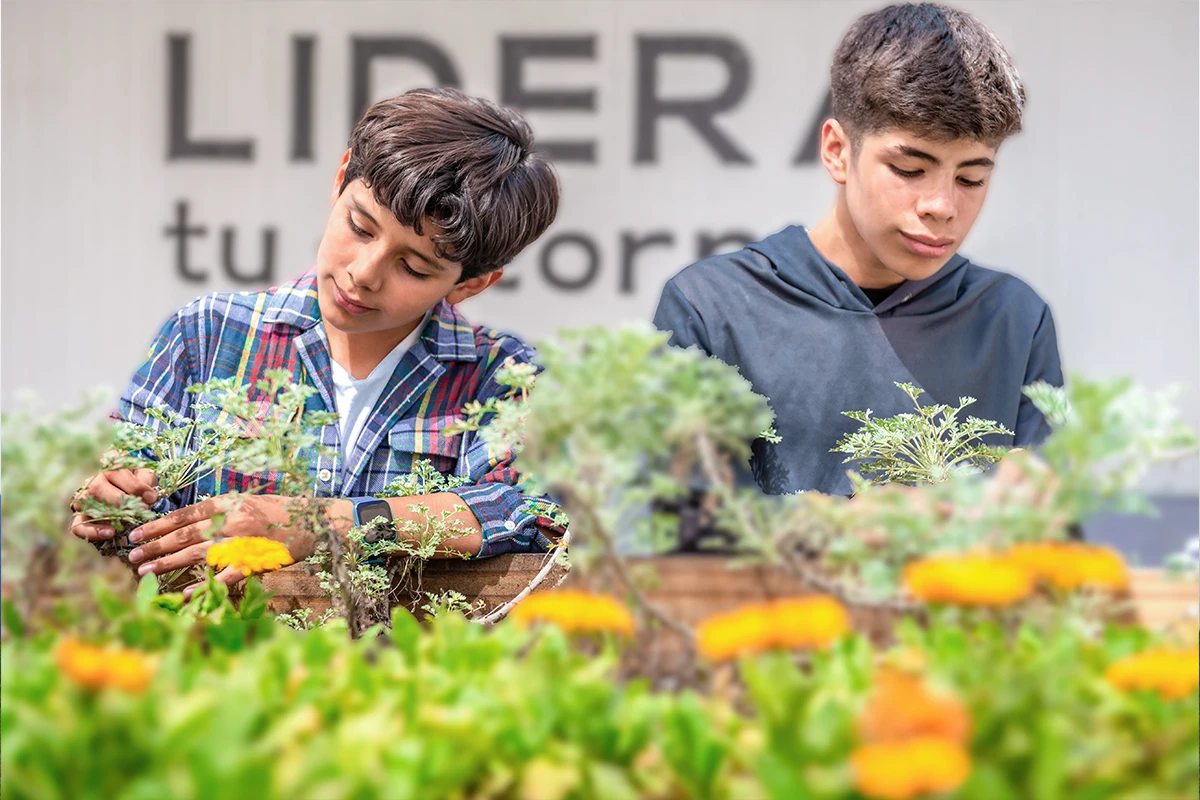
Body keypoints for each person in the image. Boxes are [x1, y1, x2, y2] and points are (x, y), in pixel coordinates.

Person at [70, 88, 563, 593]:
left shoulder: (502, 375)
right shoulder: (206, 334)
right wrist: (114, 497)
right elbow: (129, 488)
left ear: (470, 284)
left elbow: (532, 509)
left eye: (413, 267)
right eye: (360, 227)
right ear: (340, 176)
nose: (363, 273)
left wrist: (321, 523)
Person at [652, 2, 1063, 496]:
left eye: (971, 177)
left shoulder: (1013, 320)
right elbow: (678, 532)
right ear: (836, 151)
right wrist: (852, 524)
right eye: (911, 169)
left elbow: (1052, 549)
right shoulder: (711, 310)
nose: (942, 205)